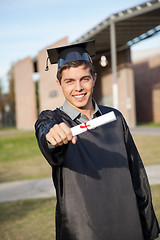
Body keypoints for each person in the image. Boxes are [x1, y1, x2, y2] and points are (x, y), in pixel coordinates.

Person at [35, 40, 160, 240]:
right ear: (59, 84)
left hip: (127, 224)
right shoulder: (53, 120)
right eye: (69, 81)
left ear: (94, 78)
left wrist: (148, 227)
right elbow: (45, 133)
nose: (78, 88)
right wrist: (52, 135)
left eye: (84, 79)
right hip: (83, 229)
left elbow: (137, 173)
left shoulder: (115, 117)